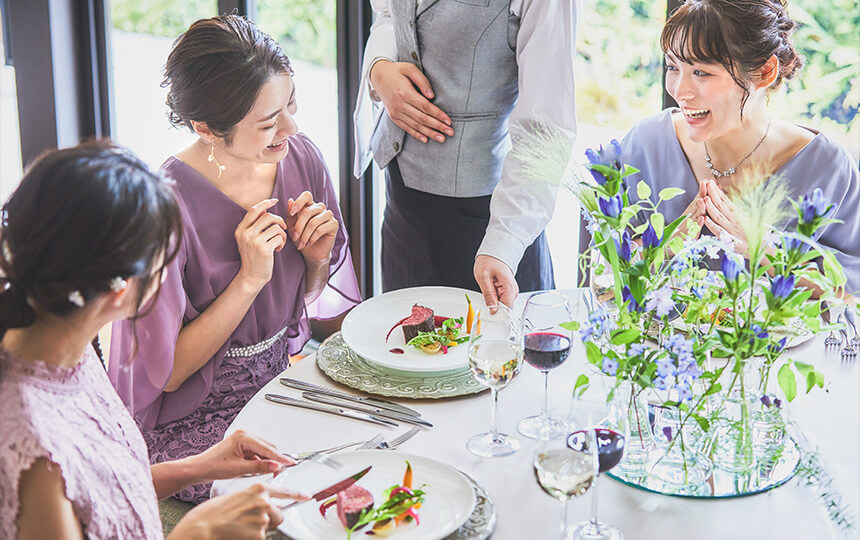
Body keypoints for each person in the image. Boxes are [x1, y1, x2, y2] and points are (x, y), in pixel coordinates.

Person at [108, 15, 361, 504]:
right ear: (205, 128)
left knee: (372, 455)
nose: (290, 128)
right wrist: (248, 280)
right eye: (268, 123)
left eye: (290, 105)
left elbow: (304, 304)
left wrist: (318, 258)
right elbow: (166, 375)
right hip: (191, 419)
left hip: (279, 383)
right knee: (297, 497)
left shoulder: (301, 157)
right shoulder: (163, 211)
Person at [0, 142, 308, 539]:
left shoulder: (65, 345)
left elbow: (102, 498)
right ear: (119, 292)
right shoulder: (33, 449)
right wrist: (194, 533)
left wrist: (199, 466)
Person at [619, 0, 859, 294]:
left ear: (765, 72)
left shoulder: (825, 167)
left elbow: (852, 292)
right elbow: (597, 281)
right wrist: (664, 245)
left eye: (701, 72)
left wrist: (764, 249)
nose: (679, 91)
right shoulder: (646, 145)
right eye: (672, 67)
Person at [353, 0, 579, 307]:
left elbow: (546, 129)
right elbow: (391, 12)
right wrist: (379, 67)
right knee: (402, 332)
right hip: (404, 208)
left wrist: (504, 245)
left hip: (488, 225)